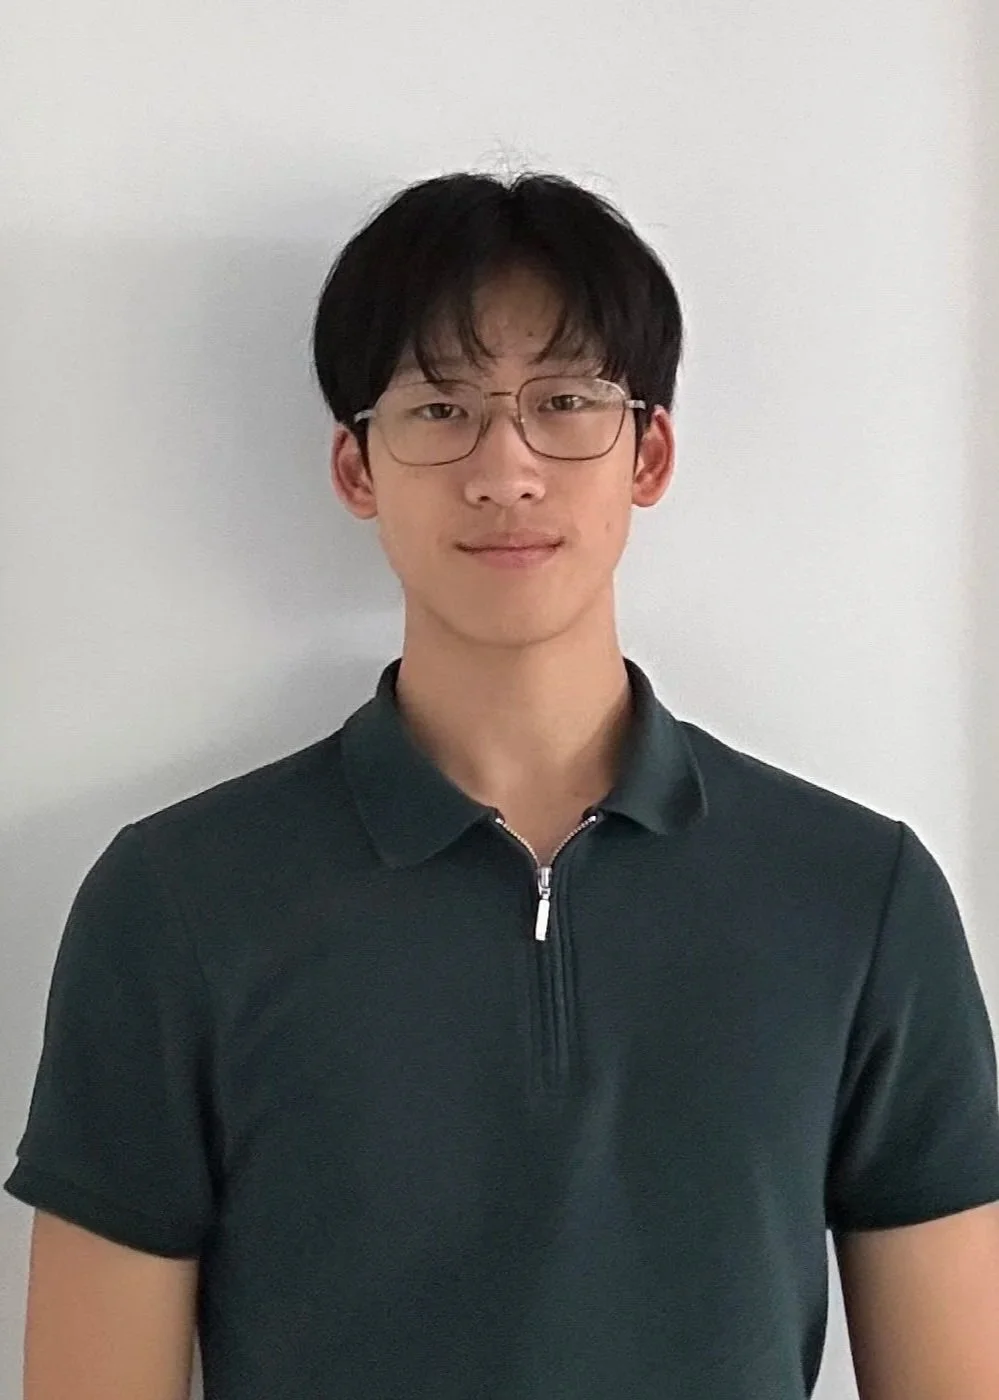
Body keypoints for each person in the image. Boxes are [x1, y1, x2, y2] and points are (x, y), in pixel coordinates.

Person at [6, 170, 999, 1400]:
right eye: (440, 408)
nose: (505, 467)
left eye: (565, 402)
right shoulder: (175, 903)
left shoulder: (858, 897)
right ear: (357, 466)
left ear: (650, 450)